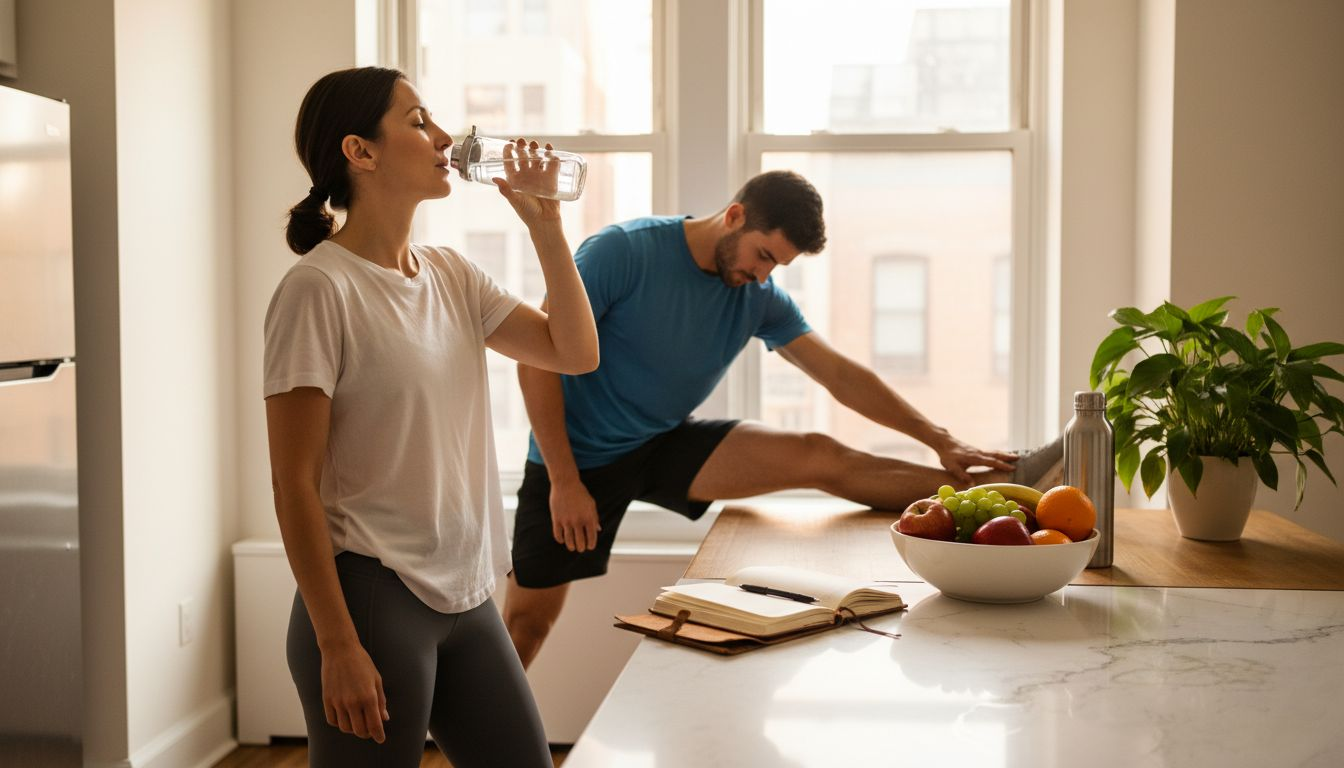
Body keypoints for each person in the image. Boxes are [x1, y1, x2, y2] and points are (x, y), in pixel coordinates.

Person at [503, 170, 1064, 668]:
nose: (764, 273)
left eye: (777, 265)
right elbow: (536, 359)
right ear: (735, 215)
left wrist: (940, 439)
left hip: (660, 441)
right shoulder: (622, 252)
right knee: (528, 623)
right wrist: (564, 480)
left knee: (819, 454)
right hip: (574, 456)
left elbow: (839, 375)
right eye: (764, 255)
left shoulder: (759, 295)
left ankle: (1007, 487)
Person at [263, 66, 597, 767]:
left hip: (467, 594)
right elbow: (293, 484)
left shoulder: (452, 274)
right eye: (418, 122)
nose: (445, 138)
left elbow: (574, 353)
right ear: (360, 152)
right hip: (371, 600)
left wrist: (546, 227)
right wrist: (336, 643)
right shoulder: (318, 289)